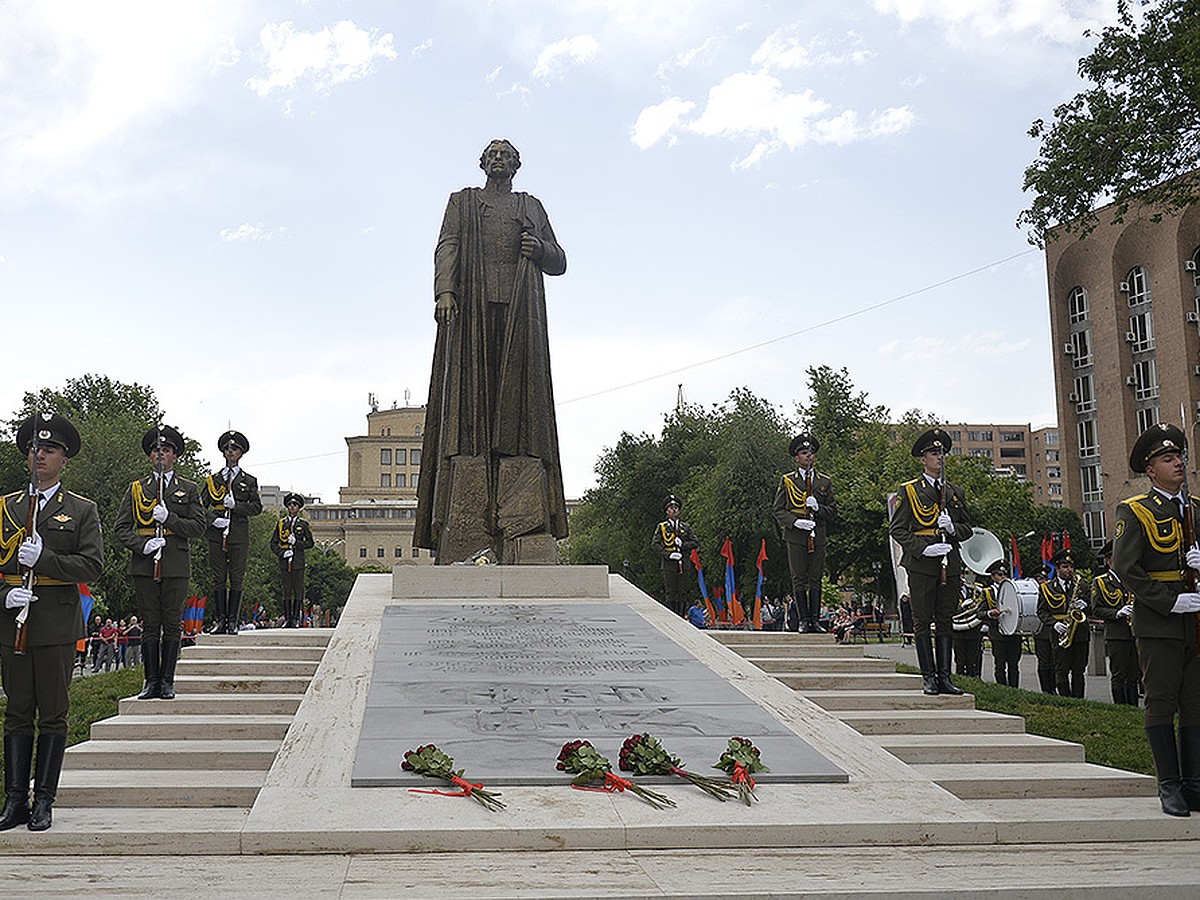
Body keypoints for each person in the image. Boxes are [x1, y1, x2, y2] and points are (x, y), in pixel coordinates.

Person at [415, 139, 569, 565]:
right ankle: (469, 524)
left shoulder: (531, 206)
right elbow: (447, 246)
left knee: (520, 408)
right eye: (492, 153)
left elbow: (559, 260)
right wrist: (445, 290)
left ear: (516, 165)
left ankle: (521, 523)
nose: (499, 158)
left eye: (506, 154)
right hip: (473, 311)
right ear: (482, 163)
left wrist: (539, 250)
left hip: (521, 312)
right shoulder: (462, 203)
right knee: (470, 407)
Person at [0, 412, 103, 832]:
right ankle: (14, 801)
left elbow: (92, 565)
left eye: (49, 450)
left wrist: (44, 559)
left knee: (54, 714)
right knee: (17, 713)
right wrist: (5, 594)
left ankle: (44, 800)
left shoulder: (80, 510)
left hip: (57, 624)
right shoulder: (6, 506)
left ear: (64, 459)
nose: (39, 455)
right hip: (13, 621)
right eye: (34, 449)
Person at [1112, 423, 1200, 816]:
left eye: (1179, 455)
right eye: (1168, 458)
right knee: (1162, 702)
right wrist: (1169, 601)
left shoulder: (1196, 509)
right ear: (1151, 470)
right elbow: (1127, 568)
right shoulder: (1134, 511)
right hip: (1161, 623)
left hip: (1196, 623)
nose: (1178, 462)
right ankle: (1170, 785)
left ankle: (1195, 784)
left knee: (1196, 705)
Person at [114, 424, 206, 701]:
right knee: (150, 624)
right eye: (156, 451)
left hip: (176, 564)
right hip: (144, 565)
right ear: (149, 456)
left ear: (175, 456)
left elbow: (199, 526)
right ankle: (150, 681)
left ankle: (167, 681)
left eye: (165, 450)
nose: (160, 455)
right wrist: (143, 545)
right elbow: (121, 529)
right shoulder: (136, 489)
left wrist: (171, 520)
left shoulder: (188, 489)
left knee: (172, 623)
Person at [889, 428, 971, 696]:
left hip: (950, 561)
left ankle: (945, 677)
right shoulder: (909, 491)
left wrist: (953, 528)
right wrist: (924, 549)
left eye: (942, 453)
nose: (940, 457)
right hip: (923, 564)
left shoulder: (955, 492)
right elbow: (898, 530)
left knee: (946, 619)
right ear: (922, 459)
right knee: (922, 620)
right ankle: (928, 677)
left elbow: (968, 528)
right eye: (934, 453)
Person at [773, 433, 837, 633]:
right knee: (798, 576)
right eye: (803, 453)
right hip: (796, 534)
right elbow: (778, 510)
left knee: (816, 577)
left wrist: (818, 508)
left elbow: (833, 512)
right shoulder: (787, 480)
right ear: (796, 458)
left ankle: (815, 620)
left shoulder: (824, 482)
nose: (807, 456)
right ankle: (803, 620)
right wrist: (795, 522)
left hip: (817, 533)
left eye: (810, 453)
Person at [201, 430, 263, 635]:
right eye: (227, 449)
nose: (231, 452)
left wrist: (236, 506)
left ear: (241, 453)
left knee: (236, 577)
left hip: (238, 533)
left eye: (234, 449)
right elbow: (199, 507)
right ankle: (220, 620)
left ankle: (233, 621)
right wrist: (213, 520)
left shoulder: (249, 481)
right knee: (218, 577)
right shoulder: (213, 480)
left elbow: (256, 507)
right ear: (222, 452)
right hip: (216, 533)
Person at [1090, 540, 1140, 705]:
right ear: (1108, 560)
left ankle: (1132, 707)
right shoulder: (1101, 582)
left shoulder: (1131, 578)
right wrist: (1116, 613)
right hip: (1116, 634)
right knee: (1119, 675)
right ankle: (1120, 706)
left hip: (1135, 633)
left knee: (1133, 675)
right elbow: (1096, 608)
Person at [1037, 547, 1089, 698]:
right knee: (1062, 670)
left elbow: (1094, 608)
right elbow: (1041, 611)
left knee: (1079, 670)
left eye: (1071, 566)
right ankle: (1065, 698)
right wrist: (1054, 623)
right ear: (1057, 568)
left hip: (1080, 633)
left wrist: (1085, 606)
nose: (1069, 570)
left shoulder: (1082, 586)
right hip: (1060, 634)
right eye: (1065, 567)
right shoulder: (1047, 588)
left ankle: (1079, 699)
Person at [651, 495, 699, 617]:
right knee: (671, 591)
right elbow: (655, 544)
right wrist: (668, 554)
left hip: (683, 562)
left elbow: (695, 543)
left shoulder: (685, 527)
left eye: (676, 508)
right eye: (671, 508)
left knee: (682, 591)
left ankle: (681, 616)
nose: (674, 510)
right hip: (669, 564)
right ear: (667, 511)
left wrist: (683, 545)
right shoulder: (662, 527)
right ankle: (671, 616)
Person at [270, 493, 314, 628]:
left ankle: (295, 618)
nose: (292, 507)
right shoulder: (281, 524)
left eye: (294, 505)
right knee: (287, 590)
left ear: (299, 508)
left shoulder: (303, 525)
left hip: (298, 561)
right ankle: (288, 618)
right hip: (285, 561)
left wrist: (296, 544)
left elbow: (310, 543)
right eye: (290, 505)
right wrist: (282, 553)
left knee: (298, 590)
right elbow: (273, 543)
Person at [981, 559, 1022, 688]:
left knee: (1014, 665)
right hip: (998, 633)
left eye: (1004, 574)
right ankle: (1002, 689)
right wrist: (989, 613)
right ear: (993, 576)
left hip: (1014, 632)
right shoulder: (988, 592)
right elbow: (979, 613)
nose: (1003, 577)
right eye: (999, 574)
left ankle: (1014, 690)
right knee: (1000, 664)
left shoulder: (1014, 590)